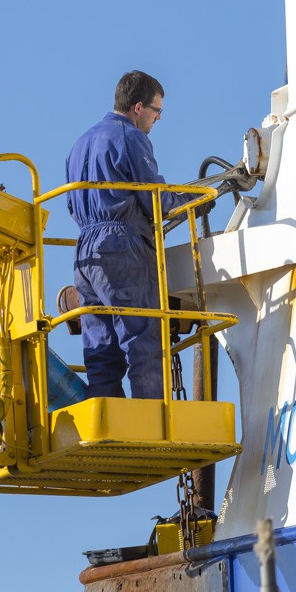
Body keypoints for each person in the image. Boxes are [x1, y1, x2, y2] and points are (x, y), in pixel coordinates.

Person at [66, 70, 191, 398]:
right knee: (144, 340)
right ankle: (153, 424)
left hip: (85, 255)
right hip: (122, 248)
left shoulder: (80, 145)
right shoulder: (132, 138)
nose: (157, 118)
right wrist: (194, 203)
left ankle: (109, 420)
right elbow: (157, 200)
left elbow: (72, 205)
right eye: (157, 111)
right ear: (139, 107)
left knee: (101, 348)